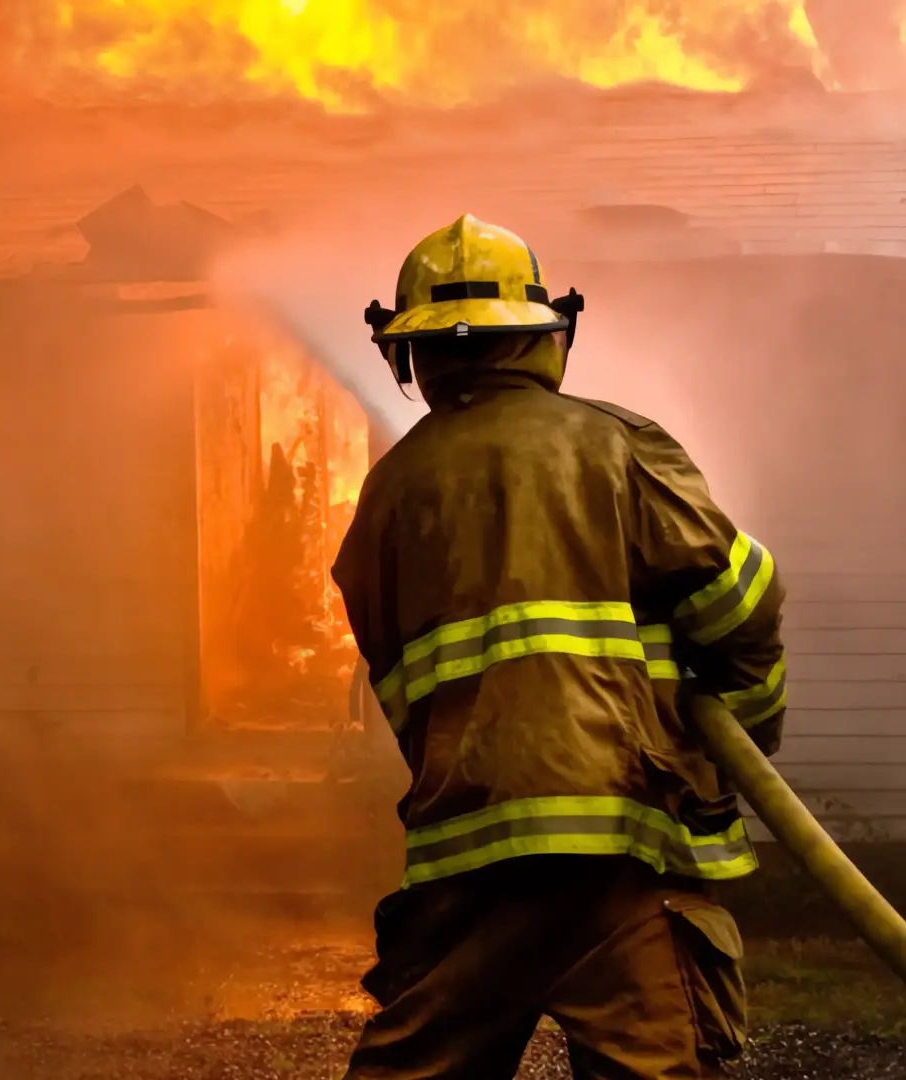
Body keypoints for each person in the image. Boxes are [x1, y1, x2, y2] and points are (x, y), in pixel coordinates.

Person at [332, 215, 788, 1080]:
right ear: (548, 335)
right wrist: (741, 737)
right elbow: (741, 603)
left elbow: (398, 684)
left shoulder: (384, 495)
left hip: (466, 858)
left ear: (410, 354)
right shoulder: (615, 444)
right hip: (619, 847)